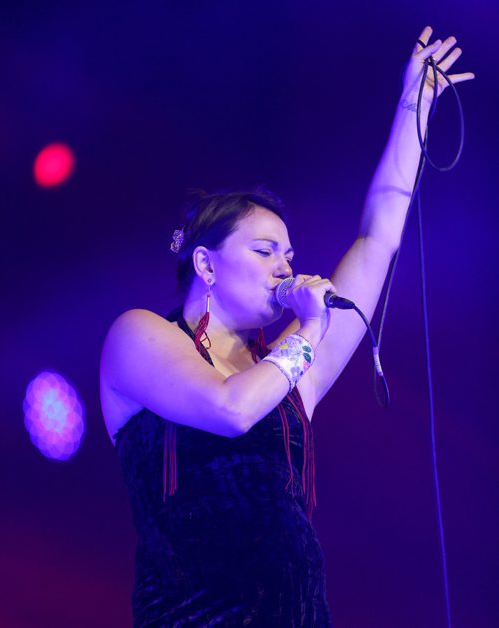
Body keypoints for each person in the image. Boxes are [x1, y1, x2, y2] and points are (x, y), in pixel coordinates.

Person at [100, 27, 474, 627]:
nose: (286, 267)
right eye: (266, 250)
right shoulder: (139, 335)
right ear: (206, 264)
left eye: (290, 254)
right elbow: (229, 410)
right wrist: (307, 332)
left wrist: (415, 109)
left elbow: (377, 237)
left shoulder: (284, 373)